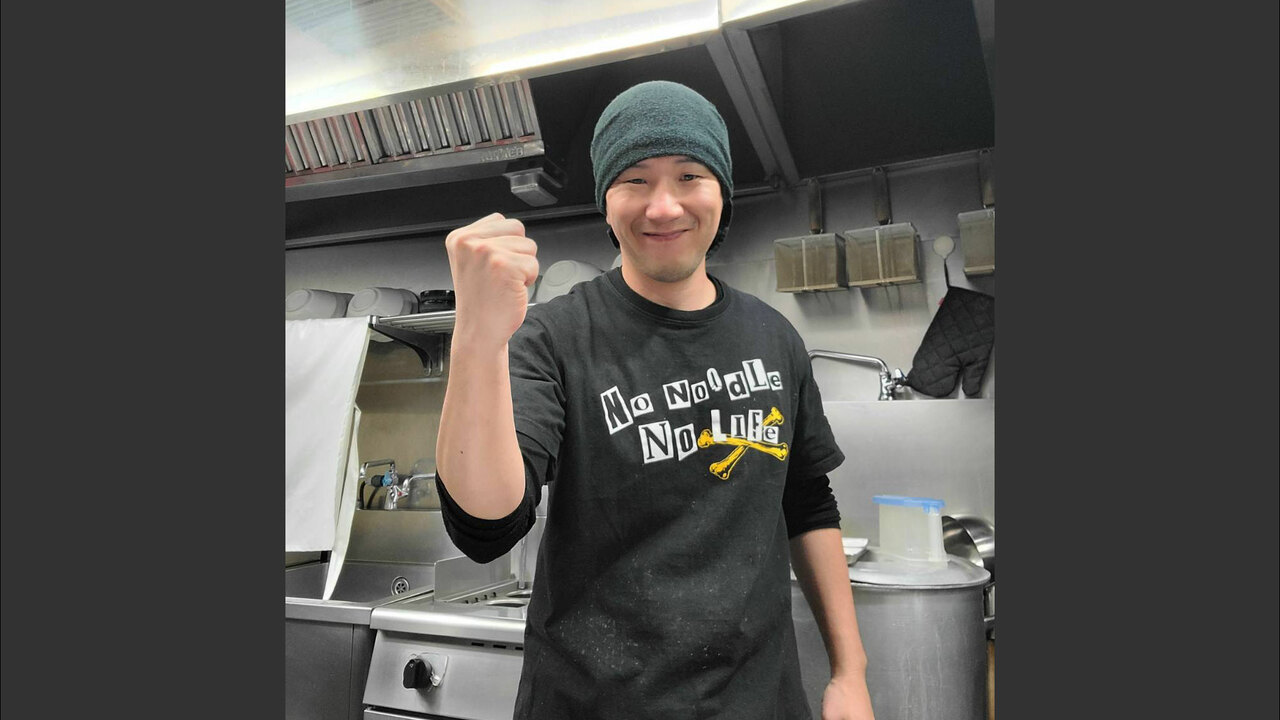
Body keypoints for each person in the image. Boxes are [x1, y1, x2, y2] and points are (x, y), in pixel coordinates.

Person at [434, 80, 875, 720]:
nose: (664, 207)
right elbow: (487, 527)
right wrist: (477, 336)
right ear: (606, 202)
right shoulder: (553, 338)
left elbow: (807, 503)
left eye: (690, 176)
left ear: (721, 191)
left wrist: (849, 673)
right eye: (634, 180)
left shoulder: (774, 337)